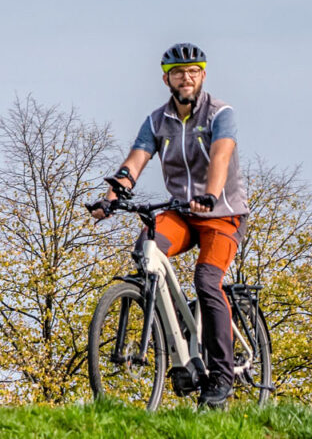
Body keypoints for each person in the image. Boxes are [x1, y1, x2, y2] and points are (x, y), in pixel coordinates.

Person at [91, 42, 248, 409]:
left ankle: (222, 375)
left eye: (193, 71)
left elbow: (221, 156)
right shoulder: (156, 121)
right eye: (179, 73)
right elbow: (135, 160)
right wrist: (111, 198)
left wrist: (210, 193)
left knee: (207, 280)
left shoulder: (220, 114)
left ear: (203, 75)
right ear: (167, 79)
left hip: (222, 213)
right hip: (182, 214)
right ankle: (177, 340)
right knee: (145, 247)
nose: (186, 78)